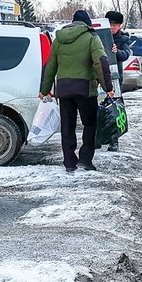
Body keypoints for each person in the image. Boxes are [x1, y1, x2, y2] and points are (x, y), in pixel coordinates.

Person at [39, 10, 114, 172]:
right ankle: (85, 160)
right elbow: (100, 62)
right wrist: (108, 87)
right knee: (90, 124)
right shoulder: (91, 37)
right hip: (85, 89)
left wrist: (44, 90)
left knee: (67, 126)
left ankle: (69, 162)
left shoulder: (58, 39)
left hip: (64, 90)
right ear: (87, 23)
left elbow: (50, 65)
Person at [105, 11, 131, 152]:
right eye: (109, 24)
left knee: (114, 109)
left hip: (115, 78)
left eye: (114, 25)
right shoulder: (99, 35)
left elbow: (126, 54)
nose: (111, 27)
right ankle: (99, 137)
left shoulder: (122, 39)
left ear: (119, 26)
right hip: (100, 78)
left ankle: (114, 140)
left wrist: (117, 52)